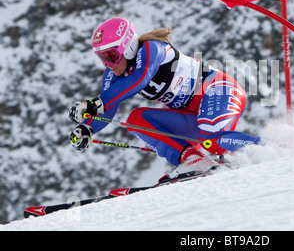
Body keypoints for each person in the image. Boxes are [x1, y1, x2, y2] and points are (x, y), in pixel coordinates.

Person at [68, 17, 260, 179]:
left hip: (218, 90)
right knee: (136, 120)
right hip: (192, 111)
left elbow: (140, 79)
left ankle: (271, 148)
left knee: (213, 141)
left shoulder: (152, 48)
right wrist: (87, 127)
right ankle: (193, 158)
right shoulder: (113, 74)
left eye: (111, 55)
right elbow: (109, 105)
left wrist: (94, 104)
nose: (108, 64)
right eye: (103, 58)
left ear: (127, 46)